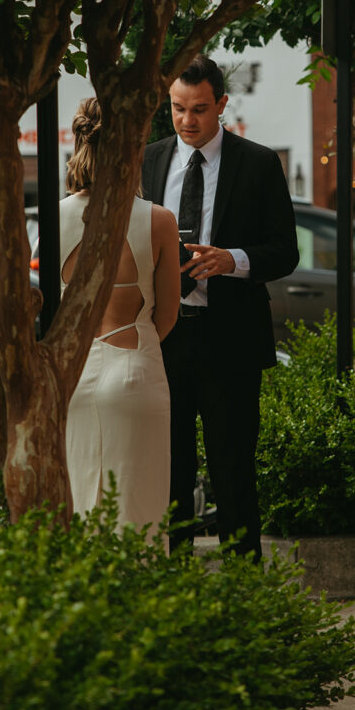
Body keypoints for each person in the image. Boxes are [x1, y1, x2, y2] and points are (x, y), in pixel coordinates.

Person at [142, 55, 299, 560]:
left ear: (222, 105)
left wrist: (232, 259)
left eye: (200, 109)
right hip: (163, 338)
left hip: (230, 340)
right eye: (178, 109)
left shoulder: (257, 163)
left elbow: (285, 251)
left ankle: (246, 588)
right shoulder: (149, 160)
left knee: (233, 469)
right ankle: (175, 579)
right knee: (169, 469)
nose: (188, 121)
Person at [60, 98, 180, 545]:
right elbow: (167, 314)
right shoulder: (158, 221)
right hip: (135, 367)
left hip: (72, 377)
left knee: (81, 511)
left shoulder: (52, 220)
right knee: (139, 514)